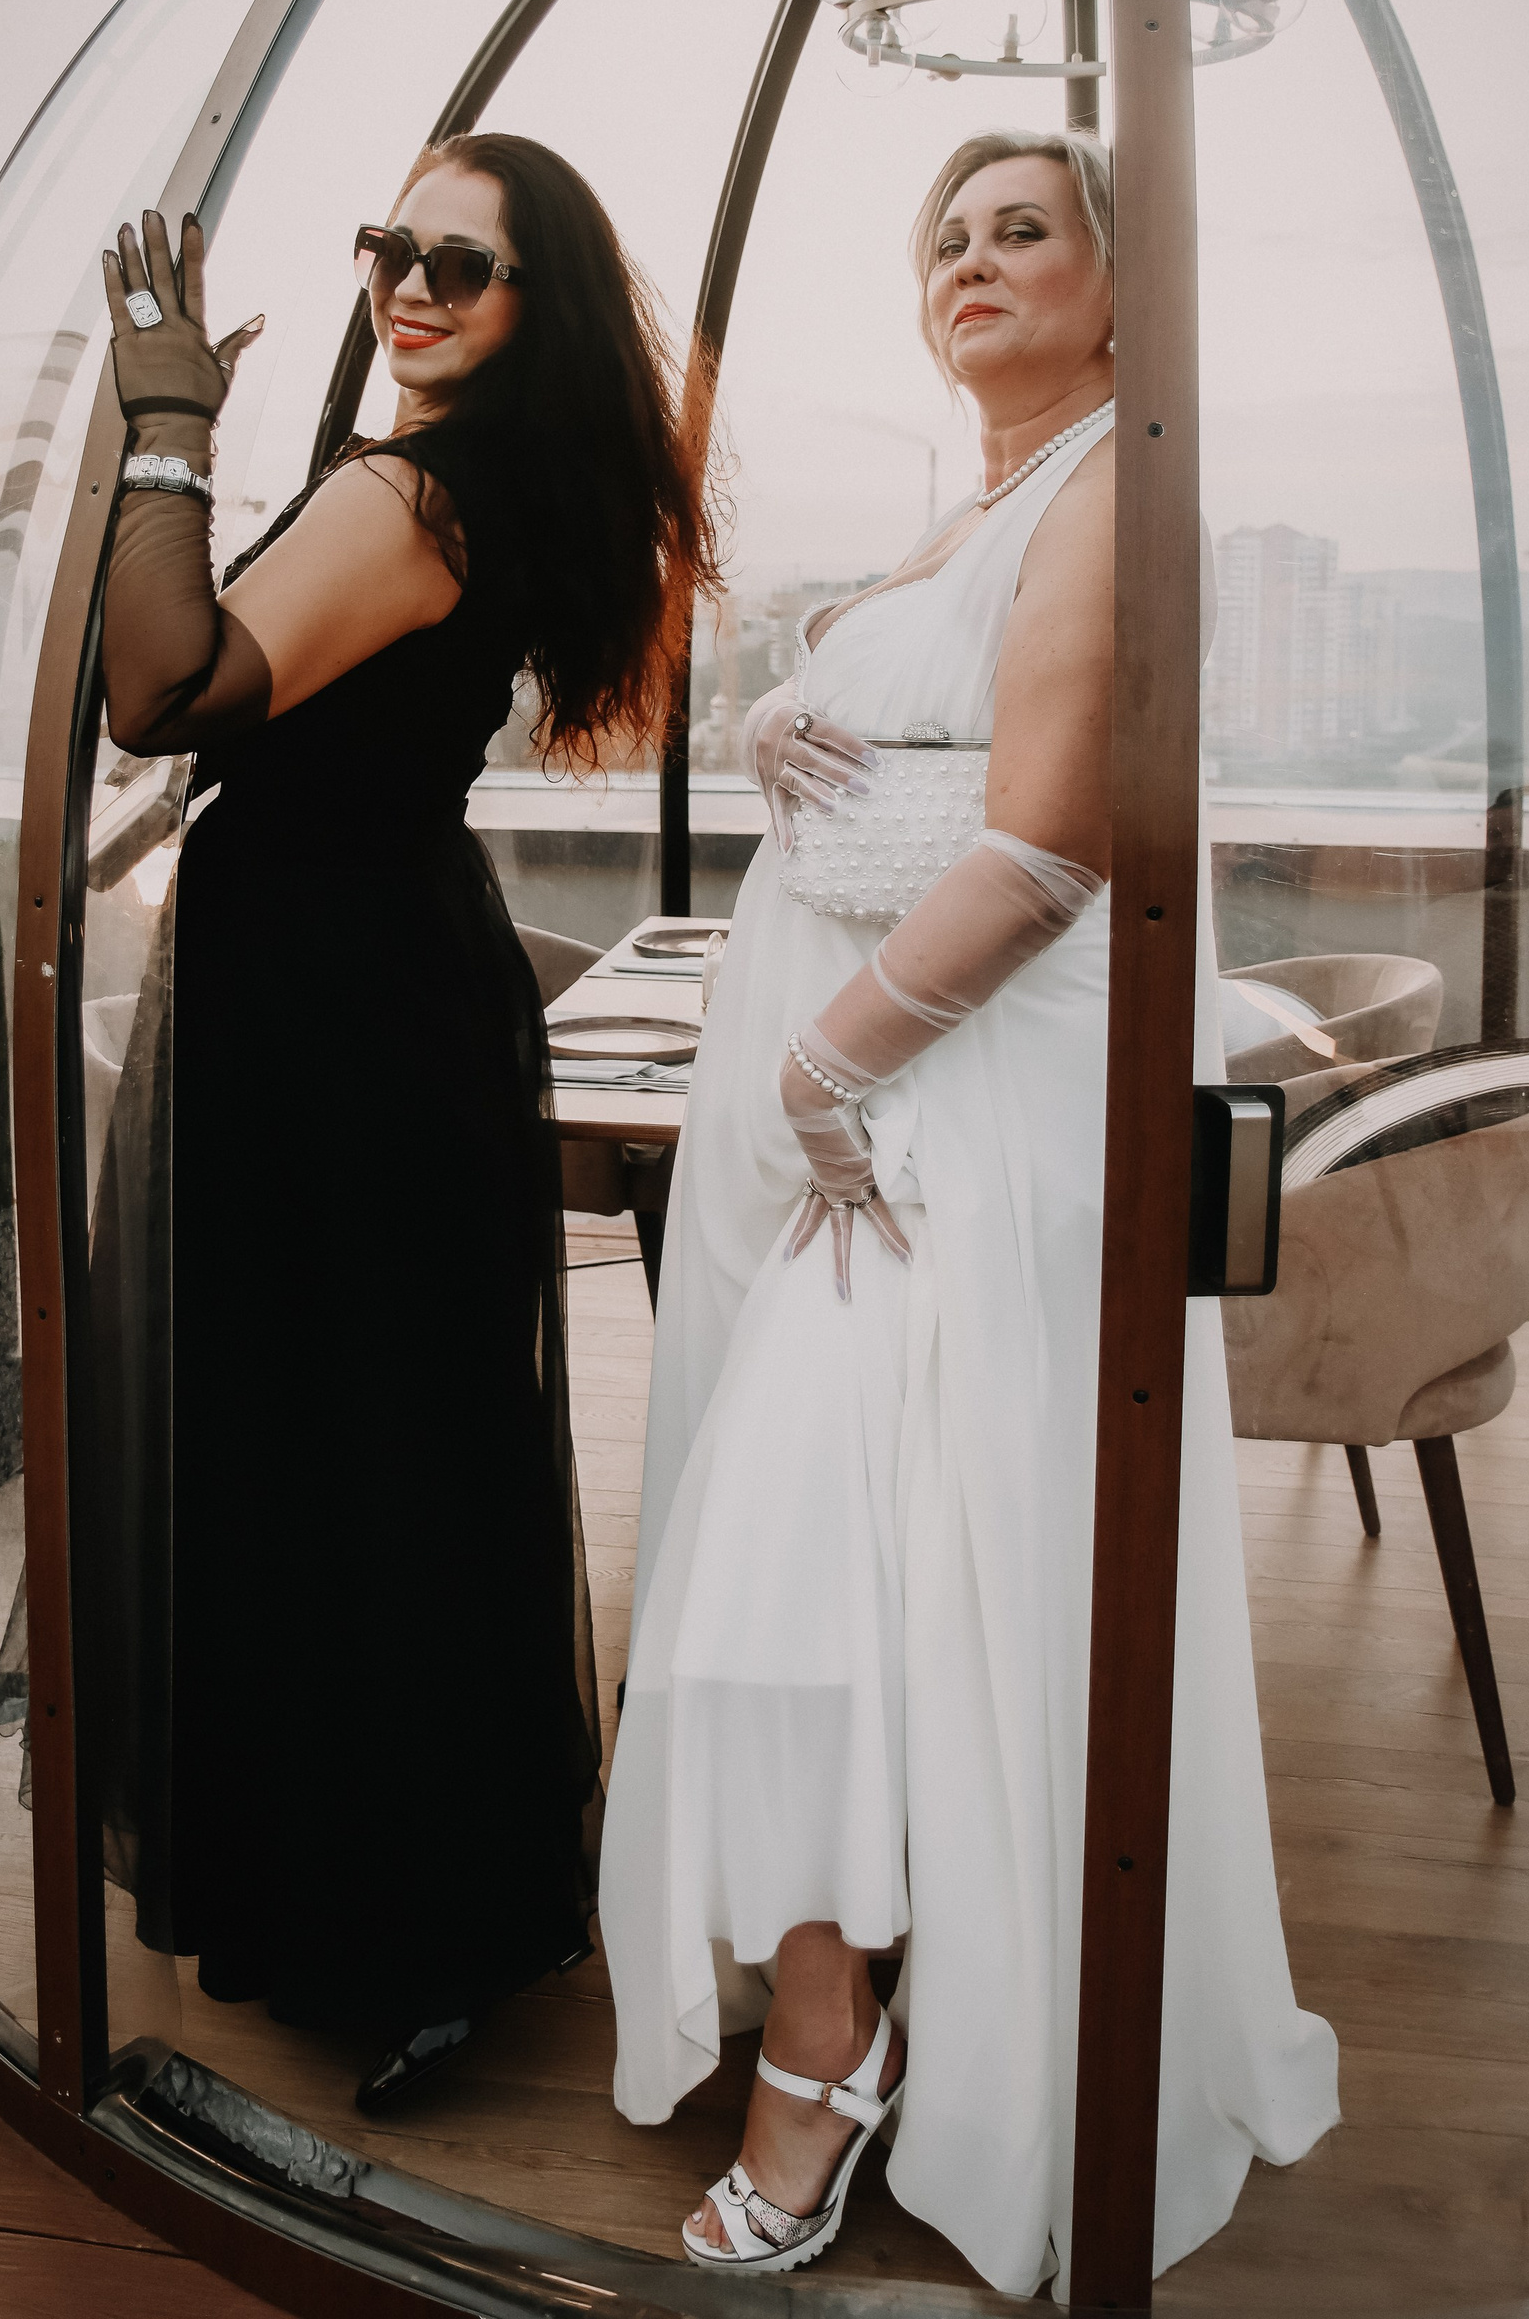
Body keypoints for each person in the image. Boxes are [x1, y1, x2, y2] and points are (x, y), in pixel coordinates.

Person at [597, 130, 1338, 2292]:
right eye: (947, 235)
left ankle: (837, 2043)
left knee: (825, 1576)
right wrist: (789, 714)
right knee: (876, 1579)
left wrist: (825, 1067)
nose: (974, 259)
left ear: (1119, 285)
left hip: (953, 1125)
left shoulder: (1117, 484)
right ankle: (869, 1989)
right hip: (884, 1105)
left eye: (1027, 228)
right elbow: (926, 727)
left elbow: (1048, 848)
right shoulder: (999, 496)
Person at [98, 132, 712, 2110]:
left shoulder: (412, 491)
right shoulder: (474, 485)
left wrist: (168, 435)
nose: (411, 286)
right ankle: (413, 1917)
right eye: (394, 247)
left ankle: (405, 1924)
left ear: (534, 309)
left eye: (464, 263)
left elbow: (158, 687)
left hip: (335, 1011)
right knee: (390, 1451)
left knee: (342, 1453)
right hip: (373, 991)